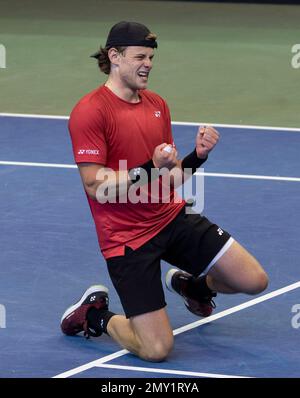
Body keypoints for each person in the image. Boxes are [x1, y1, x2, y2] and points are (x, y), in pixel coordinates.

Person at [61, 21, 268, 362]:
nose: (148, 64)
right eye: (140, 56)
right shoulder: (90, 112)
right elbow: (96, 186)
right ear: (114, 56)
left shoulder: (157, 105)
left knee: (253, 280)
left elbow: (169, 180)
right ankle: (95, 315)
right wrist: (148, 167)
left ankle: (193, 287)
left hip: (171, 218)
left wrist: (197, 157)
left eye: (152, 58)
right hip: (127, 240)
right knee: (156, 349)